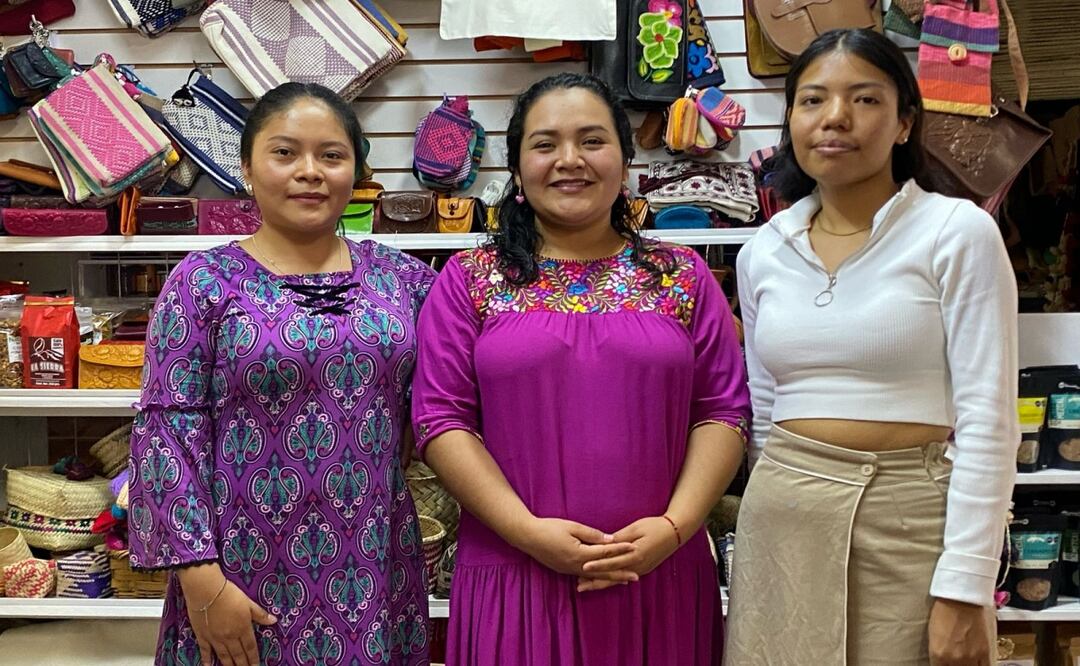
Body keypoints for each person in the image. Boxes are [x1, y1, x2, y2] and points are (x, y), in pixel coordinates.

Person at [410, 72, 751, 665]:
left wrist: (674, 528)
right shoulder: (468, 279)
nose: (569, 160)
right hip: (516, 571)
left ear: (623, 161)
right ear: (517, 170)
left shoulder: (682, 274)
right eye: (545, 145)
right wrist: (528, 533)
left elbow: (722, 411)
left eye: (592, 140)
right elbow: (440, 420)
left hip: (659, 572)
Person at [725, 29, 1018, 666]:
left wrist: (967, 583)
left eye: (864, 99)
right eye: (812, 100)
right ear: (792, 121)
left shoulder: (955, 233)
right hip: (784, 515)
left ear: (905, 122)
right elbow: (767, 411)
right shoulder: (763, 251)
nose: (835, 118)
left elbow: (989, 421)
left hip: (911, 519)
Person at [128, 82, 434, 666]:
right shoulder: (203, 283)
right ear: (246, 168)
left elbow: (461, 394)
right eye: (286, 153)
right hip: (239, 572)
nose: (310, 172)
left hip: (374, 568)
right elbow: (166, 433)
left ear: (356, 172)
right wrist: (202, 582)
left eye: (332, 155)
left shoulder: (406, 282)